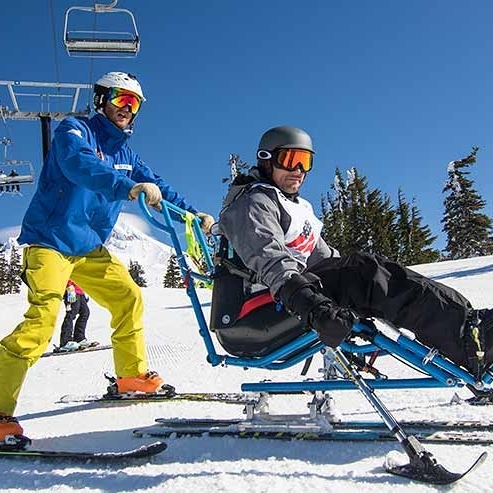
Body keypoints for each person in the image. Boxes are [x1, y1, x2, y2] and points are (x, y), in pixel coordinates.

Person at [0, 71, 214, 445]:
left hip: (89, 249)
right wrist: (126, 187)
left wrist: (195, 216)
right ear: (101, 99)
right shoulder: (75, 130)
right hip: (50, 242)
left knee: (128, 297)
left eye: (134, 104)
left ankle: (131, 376)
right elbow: (78, 165)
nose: (126, 109)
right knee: (42, 319)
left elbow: (160, 189)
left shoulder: (127, 155)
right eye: (120, 99)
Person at [218, 125, 493, 382]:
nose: (299, 170)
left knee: (365, 270)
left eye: (306, 161)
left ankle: (471, 327)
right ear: (267, 159)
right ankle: (469, 342)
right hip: (257, 315)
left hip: (292, 300)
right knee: (363, 274)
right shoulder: (253, 203)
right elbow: (270, 260)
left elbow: (328, 262)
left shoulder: (296, 207)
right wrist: (313, 307)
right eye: (290, 159)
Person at [57, 280, 91, 352]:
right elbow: (65, 271)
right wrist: (68, 285)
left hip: (79, 290)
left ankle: (79, 338)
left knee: (85, 312)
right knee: (71, 314)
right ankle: (65, 342)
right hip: (70, 289)